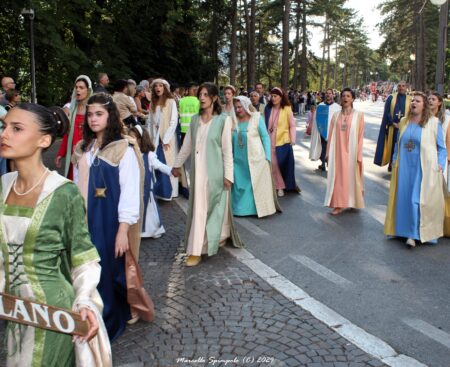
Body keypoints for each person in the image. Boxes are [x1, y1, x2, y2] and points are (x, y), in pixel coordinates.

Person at [0, 103, 111, 366]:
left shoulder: (63, 192)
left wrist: (84, 300)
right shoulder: (3, 186)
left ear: (44, 140)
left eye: (16, 128)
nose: (4, 134)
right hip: (14, 312)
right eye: (4, 126)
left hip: (52, 313)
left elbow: (83, 256)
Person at [72, 93, 143, 340]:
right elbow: (75, 185)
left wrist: (123, 229)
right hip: (82, 219)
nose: (93, 119)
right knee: (84, 267)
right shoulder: (83, 149)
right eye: (90, 114)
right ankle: (85, 315)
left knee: (106, 269)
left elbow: (130, 191)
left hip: (108, 220)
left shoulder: (123, 148)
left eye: (99, 114)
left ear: (110, 115)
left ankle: (107, 321)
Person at [172, 82, 243, 267]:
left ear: (214, 98)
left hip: (216, 174)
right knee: (199, 210)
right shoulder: (195, 120)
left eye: (205, 94)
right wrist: (177, 165)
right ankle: (196, 250)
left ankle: (218, 237)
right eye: (200, 95)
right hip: (197, 174)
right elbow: (187, 145)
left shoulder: (223, 120)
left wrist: (228, 176)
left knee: (213, 210)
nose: (201, 98)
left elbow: (227, 151)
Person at [385, 92, 446, 248]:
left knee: (415, 200)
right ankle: (402, 231)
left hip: (423, 167)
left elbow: (442, 148)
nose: (413, 102)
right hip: (404, 166)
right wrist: (394, 160)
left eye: (417, 101)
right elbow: (398, 144)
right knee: (403, 198)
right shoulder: (404, 121)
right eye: (412, 100)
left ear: (424, 105)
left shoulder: (433, 122)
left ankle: (413, 234)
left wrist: (440, 164)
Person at [231, 96, 278, 217]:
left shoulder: (256, 118)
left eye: (240, 107)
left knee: (254, 185)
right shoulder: (232, 120)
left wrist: (268, 157)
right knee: (239, 184)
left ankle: (254, 210)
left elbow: (265, 137)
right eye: (236, 107)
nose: (238, 110)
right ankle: (239, 209)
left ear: (246, 106)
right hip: (238, 159)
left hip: (255, 158)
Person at [324, 88, 365, 215]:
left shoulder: (359, 115)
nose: (345, 98)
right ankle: (339, 204)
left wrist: (358, 154)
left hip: (352, 152)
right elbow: (330, 135)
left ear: (352, 98)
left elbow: (360, 136)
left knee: (353, 177)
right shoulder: (336, 116)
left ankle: (353, 201)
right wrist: (327, 153)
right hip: (338, 152)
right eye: (343, 96)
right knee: (339, 178)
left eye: (348, 96)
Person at [128, 124, 171, 238]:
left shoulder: (149, 155)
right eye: (130, 137)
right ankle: (137, 231)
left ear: (141, 139)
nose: (131, 140)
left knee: (150, 211)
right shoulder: (129, 154)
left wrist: (172, 171)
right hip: (134, 190)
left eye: (134, 137)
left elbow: (160, 166)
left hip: (147, 189)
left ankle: (153, 230)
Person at [55, 75, 93, 179]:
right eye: (76, 87)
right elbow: (68, 133)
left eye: (81, 88)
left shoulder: (93, 110)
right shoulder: (72, 109)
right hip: (73, 154)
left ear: (88, 90)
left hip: (88, 153)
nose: (78, 90)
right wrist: (60, 153)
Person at [147, 78, 179, 200]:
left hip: (167, 138)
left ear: (165, 88)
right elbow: (150, 121)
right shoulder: (153, 103)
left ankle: (171, 192)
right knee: (156, 164)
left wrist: (165, 139)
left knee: (168, 163)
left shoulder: (171, 101)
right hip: (155, 138)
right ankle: (159, 192)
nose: (158, 88)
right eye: (156, 86)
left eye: (160, 86)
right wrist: (151, 137)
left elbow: (173, 121)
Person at [264, 87, 299, 197]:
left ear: (281, 97)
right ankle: (278, 186)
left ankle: (282, 185)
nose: (273, 98)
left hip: (282, 141)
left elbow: (292, 125)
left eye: (275, 96)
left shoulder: (287, 108)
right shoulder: (268, 108)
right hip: (268, 139)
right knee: (272, 163)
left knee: (280, 164)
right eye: (272, 96)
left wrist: (293, 139)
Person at [374, 81, 411, 171]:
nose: (401, 87)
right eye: (399, 86)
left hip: (405, 128)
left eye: (403, 86)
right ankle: (391, 163)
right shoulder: (391, 98)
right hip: (392, 127)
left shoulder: (410, 99)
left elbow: (412, 113)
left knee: (403, 146)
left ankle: (402, 165)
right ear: (397, 87)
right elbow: (386, 112)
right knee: (392, 145)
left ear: (406, 87)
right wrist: (392, 122)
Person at [429, 91, 450, 236]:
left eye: (433, 99)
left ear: (439, 103)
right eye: (428, 98)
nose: (430, 101)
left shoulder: (446, 120)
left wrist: (446, 160)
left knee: (441, 194)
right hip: (426, 158)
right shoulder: (423, 118)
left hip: (441, 158)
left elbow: (448, 141)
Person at [309, 88, 341, 171]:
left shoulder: (337, 107)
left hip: (333, 132)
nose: (328, 94)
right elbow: (316, 119)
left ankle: (330, 163)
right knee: (323, 147)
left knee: (331, 148)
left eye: (330, 93)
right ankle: (323, 163)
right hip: (322, 130)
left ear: (333, 95)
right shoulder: (320, 106)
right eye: (327, 93)